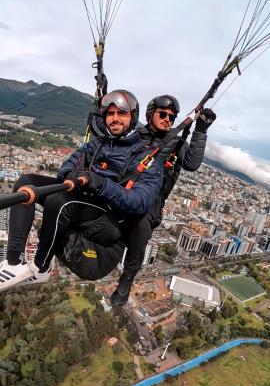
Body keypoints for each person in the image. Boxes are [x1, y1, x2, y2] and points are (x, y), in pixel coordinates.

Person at [0, 90, 164, 292]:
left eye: (121, 113)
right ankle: (13, 261)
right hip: (84, 200)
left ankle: (41, 267)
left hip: (111, 218)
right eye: (110, 114)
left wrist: (101, 184)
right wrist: (71, 176)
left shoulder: (148, 158)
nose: (114, 119)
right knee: (26, 182)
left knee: (59, 201)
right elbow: (69, 165)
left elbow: (140, 202)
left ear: (133, 117)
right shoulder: (97, 144)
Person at [111, 94, 216, 306]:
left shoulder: (176, 143)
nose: (168, 119)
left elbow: (192, 163)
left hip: (151, 203)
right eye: (163, 114)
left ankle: (127, 280)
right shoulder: (135, 135)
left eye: (172, 116)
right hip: (124, 192)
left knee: (141, 227)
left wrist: (201, 129)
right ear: (151, 114)